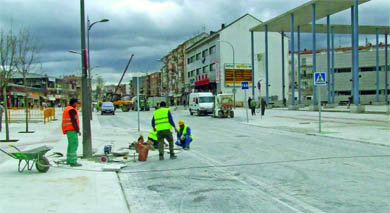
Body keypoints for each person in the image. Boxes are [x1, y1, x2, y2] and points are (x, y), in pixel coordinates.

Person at [62, 98, 82, 167]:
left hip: (69, 130)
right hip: (72, 129)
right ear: (74, 103)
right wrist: (78, 130)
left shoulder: (67, 108)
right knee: (74, 145)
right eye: (76, 103)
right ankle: (73, 161)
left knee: (70, 145)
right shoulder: (71, 110)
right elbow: (74, 121)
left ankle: (69, 160)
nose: (77, 104)